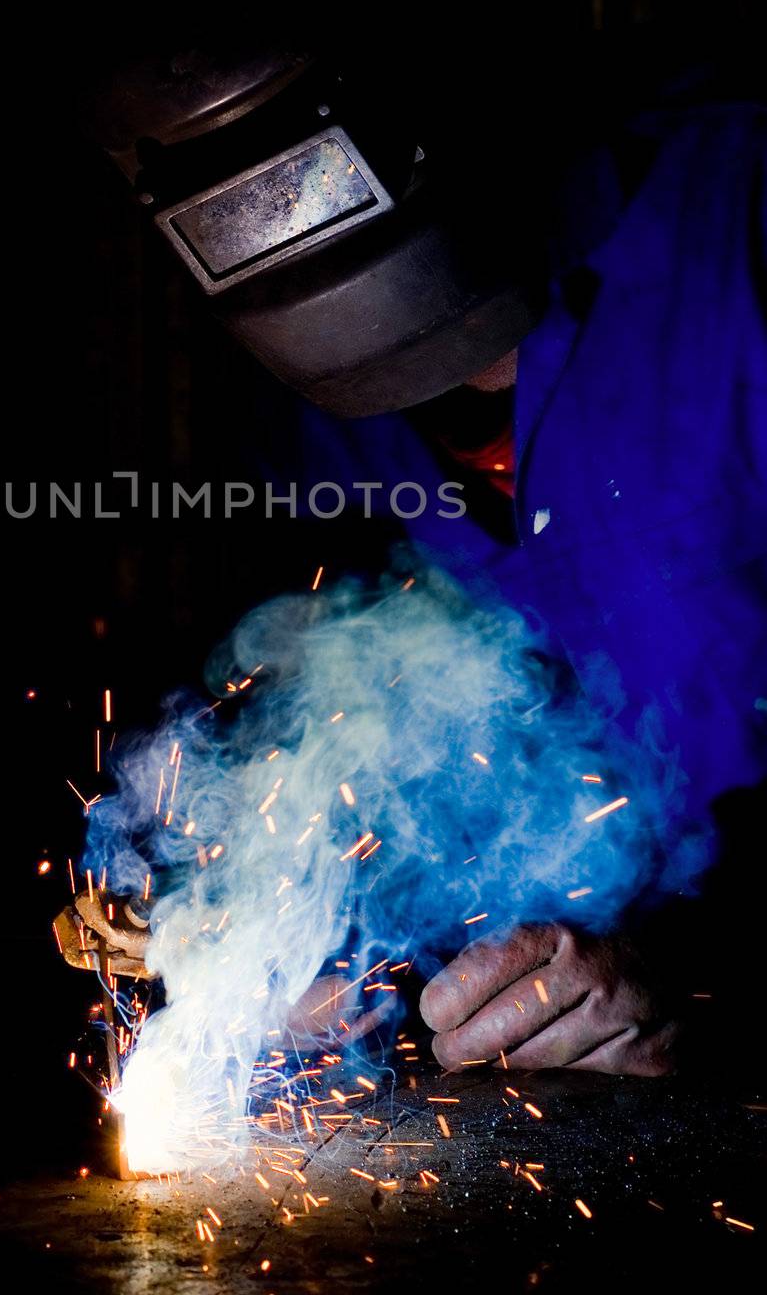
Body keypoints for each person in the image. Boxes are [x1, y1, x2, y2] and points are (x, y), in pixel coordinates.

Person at [64, 70, 766, 1076]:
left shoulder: (739, 221)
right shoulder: (304, 405)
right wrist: (281, 919)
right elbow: (342, 721)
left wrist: (712, 970)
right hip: (548, 1085)